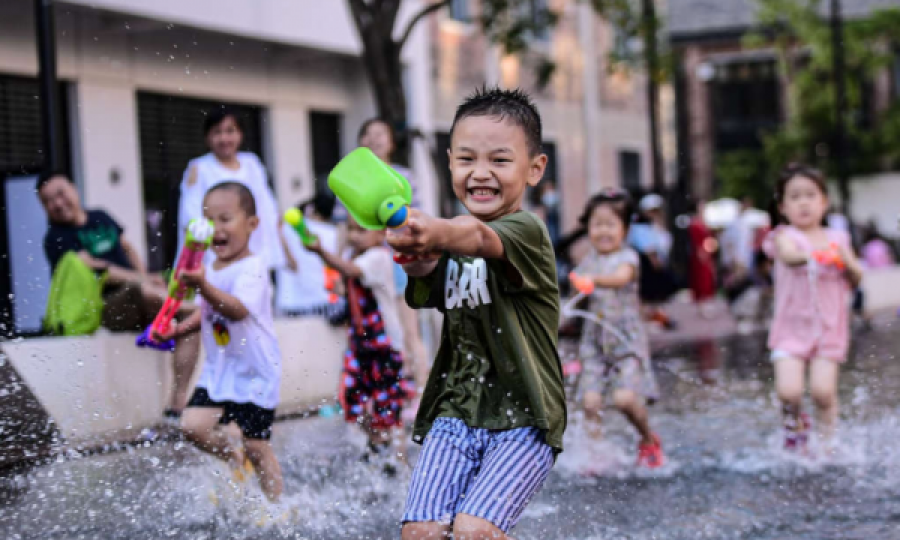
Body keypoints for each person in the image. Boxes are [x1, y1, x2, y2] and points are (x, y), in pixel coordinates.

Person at [388, 87, 566, 539]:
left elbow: (479, 238)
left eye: (500, 161)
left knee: (473, 530)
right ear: (449, 163)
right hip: (456, 411)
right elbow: (430, 269)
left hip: (525, 417)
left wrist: (435, 230)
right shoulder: (449, 238)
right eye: (467, 159)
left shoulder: (527, 231)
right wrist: (413, 246)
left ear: (535, 168)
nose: (480, 174)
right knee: (420, 532)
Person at [156, 182, 284, 501]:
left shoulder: (253, 267)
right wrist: (178, 330)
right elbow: (208, 311)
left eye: (225, 219)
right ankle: (233, 457)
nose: (217, 229)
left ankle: (276, 507)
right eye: (209, 220)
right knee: (192, 426)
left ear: (252, 224)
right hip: (220, 371)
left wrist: (201, 284)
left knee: (257, 445)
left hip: (256, 372)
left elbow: (237, 310)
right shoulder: (210, 268)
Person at [38, 172, 200, 420]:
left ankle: (177, 406)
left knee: (189, 326)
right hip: (106, 307)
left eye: (60, 193)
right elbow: (98, 269)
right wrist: (142, 279)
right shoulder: (56, 238)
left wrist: (145, 274)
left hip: (142, 296)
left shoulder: (100, 217)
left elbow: (127, 247)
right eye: (48, 201)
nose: (57, 203)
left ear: (73, 188)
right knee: (144, 292)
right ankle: (201, 311)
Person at [763, 164, 863, 453]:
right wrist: (814, 255)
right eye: (795, 197)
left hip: (828, 330)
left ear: (824, 201)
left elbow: (856, 278)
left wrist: (846, 260)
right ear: (782, 206)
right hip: (789, 330)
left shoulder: (839, 239)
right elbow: (789, 256)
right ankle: (794, 426)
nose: (803, 202)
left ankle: (828, 442)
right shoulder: (784, 236)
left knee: (823, 391)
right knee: (789, 391)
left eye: (810, 195)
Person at [307, 216, 409, 474]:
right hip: (360, 345)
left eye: (361, 230)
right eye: (350, 230)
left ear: (381, 235)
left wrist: (322, 251)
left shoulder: (378, 256)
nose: (354, 235)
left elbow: (351, 272)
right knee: (352, 400)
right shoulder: (354, 257)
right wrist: (338, 251)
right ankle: (378, 443)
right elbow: (341, 285)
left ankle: (400, 460)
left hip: (385, 345)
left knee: (388, 406)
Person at [570, 190, 665, 468]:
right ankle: (595, 454)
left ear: (625, 228)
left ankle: (648, 438)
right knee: (589, 403)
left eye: (611, 224)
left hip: (626, 343)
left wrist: (592, 280)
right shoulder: (588, 261)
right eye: (597, 224)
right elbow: (575, 292)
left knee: (624, 400)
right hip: (594, 344)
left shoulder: (629, 258)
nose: (603, 231)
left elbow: (620, 278)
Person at [353, 118, 430, 420]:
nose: (374, 140)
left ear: (391, 142)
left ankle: (423, 394)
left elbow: (417, 217)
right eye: (368, 135)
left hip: (399, 259)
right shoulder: (354, 180)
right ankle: (393, 394)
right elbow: (342, 224)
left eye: (380, 135)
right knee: (382, 333)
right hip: (367, 266)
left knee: (409, 329)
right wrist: (360, 238)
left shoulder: (403, 176)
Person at [177, 107, 283, 270]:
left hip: (256, 254)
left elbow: (267, 208)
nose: (224, 138)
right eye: (217, 132)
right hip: (217, 257)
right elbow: (191, 216)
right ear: (208, 137)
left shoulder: (252, 163)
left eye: (230, 131)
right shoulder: (199, 167)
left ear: (240, 134)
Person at [275, 191, 344, 320]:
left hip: (290, 303)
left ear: (311, 209)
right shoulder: (335, 235)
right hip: (323, 301)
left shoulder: (286, 230)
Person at [628, 193, 678, 329]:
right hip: (649, 265)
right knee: (649, 296)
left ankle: (657, 317)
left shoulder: (655, 226)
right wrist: (655, 262)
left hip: (656, 262)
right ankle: (651, 320)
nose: (655, 213)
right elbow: (648, 248)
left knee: (655, 297)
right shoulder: (641, 226)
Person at [686, 198, 718, 318]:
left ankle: (704, 305)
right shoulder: (695, 223)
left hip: (706, 252)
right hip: (700, 255)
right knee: (701, 280)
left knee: (707, 279)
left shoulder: (704, 222)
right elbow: (697, 242)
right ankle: (702, 306)